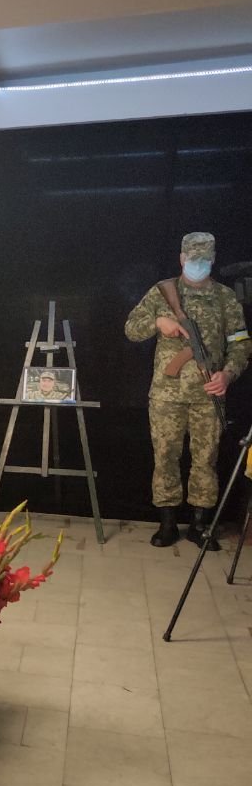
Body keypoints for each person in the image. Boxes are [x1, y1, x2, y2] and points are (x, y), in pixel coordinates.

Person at [125, 231, 250, 549]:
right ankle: (167, 525)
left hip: (209, 396)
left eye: (204, 260)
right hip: (167, 395)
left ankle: (199, 525)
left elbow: (241, 343)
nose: (198, 265)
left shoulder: (225, 298)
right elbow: (131, 329)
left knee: (206, 460)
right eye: (193, 259)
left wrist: (227, 374)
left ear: (213, 260)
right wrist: (158, 323)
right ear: (182, 258)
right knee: (165, 457)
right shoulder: (162, 292)